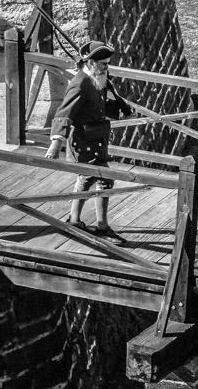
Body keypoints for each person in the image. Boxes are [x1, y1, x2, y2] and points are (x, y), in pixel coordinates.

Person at [44, 40, 133, 245]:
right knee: (92, 179)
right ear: (92, 63)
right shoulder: (80, 82)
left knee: (101, 180)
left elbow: (104, 100)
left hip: (97, 139)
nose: (107, 67)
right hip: (84, 141)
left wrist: (123, 108)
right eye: (103, 64)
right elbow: (64, 112)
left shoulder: (98, 77)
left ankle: (91, 223)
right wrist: (56, 142)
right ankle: (80, 222)